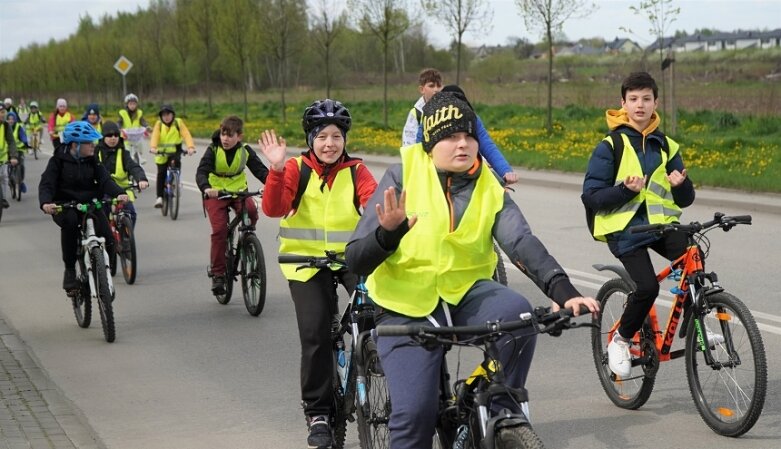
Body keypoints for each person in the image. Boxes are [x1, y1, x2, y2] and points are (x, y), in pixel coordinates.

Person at [345, 91, 598, 449]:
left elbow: (522, 242)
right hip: (405, 308)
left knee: (521, 315)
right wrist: (387, 234)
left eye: (468, 135)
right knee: (414, 418)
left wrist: (565, 293)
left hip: (467, 295)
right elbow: (355, 258)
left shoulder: (488, 186)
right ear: (431, 143)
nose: (462, 144)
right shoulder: (403, 176)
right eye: (450, 136)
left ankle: (499, 413)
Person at [258, 99, 377, 449]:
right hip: (305, 264)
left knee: (382, 312)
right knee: (315, 335)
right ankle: (318, 412)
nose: (329, 143)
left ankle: (374, 370)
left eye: (336, 136)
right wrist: (276, 169)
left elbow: (372, 206)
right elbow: (273, 208)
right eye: (322, 136)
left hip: (350, 260)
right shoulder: (295, 168)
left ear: (344, 139)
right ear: (311, 139)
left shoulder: (356, 170)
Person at [581, 71, 699, 378]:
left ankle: (695, 323)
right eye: (633, 99)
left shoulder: (667, 145)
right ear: (623, 103)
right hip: (624, 229)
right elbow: (592, 196)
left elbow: (685, 199)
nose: (640, 105)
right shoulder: (611, 145)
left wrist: (680, 185)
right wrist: (625, 190)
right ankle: (620, 340)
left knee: (693, 262)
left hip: (660, 225)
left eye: (646, 99)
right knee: (646, 287)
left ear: (656, 102)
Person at [39, 121, 128, 293]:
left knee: (108, 238)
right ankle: (70, 271)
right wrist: (46, 202)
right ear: (75, 145)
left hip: (89, 204)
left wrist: (119, 193)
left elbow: (105, 179)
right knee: (71, 223)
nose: (93, 146)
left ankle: (103, 272)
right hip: (65, 205)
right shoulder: (57, 161)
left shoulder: (92, 160)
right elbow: (47, 184)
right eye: (89, 143)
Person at [196, 115, 269, 294]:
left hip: (238, 191)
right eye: (223, 134)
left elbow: (261, 170)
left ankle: (247, 241)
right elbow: (201, 172)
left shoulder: (245, 150)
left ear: (239, 136)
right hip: (216, 193)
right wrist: (206, 187)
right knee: (220, 230)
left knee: (251, 211)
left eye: (230, 135)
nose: (225, 139)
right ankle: (218, 274)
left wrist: (270, 185)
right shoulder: (213, 150)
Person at [415, 84, 518, 185]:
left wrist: (505, 171)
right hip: (434, 175)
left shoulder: (471, 118)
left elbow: (487, 146)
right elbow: (419, 146)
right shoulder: (430, 118)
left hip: (466, 176)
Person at [96, 121, 149, 225]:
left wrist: (141, 179)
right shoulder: (95, 152)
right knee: (101, 217)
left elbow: (134, 167)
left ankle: (127, 239)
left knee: (131, 214)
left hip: (122, 190)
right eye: (109, 135)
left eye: (116, 135)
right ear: (103, 137)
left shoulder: (124, 153)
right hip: (102, 191)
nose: (113, 138)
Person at [150, 104, 196, 208]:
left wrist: (190, 147)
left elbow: (186, 134)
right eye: (164, 115)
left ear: (173, 115)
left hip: (175, 152)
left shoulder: (178, 122)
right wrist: (153, 147)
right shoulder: (159, 125)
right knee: (161, 173)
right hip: (161, 153)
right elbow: (155, 136)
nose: (166, 117)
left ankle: (175, 183)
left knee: (176, 166)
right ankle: (159, 197)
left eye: (168, 114)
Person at [401, 68, 442, 147]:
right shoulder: (416, 113)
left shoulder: (449, 108)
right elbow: (409, 144)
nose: (436, 89)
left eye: (439, 85)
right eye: (431, 86)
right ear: (422, 89)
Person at [118, 93, 151, 165]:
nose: (132, 106)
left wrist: (147, 126)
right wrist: (119, 128)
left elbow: (143, 121)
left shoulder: (139, 113)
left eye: (134, 104)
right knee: (127, 152)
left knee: (140, 147)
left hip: (136, 136)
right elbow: (119, 122)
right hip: (126, 137)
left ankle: (141, 158)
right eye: (130, 104)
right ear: (127, 104)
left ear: (136, 104)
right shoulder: (123, 113)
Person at [0, 104, 19, 208]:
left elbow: (11, 142)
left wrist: (13, 156)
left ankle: (3, 199)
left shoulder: (6, 126)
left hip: (2, 159)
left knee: (4, 178)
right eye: (0, 112)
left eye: (3, 112)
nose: (2, 115)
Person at [5, 111, 28, 193]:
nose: (11, 121)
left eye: (12, 119)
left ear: (15, 119)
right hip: (8, 151)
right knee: (8, 166)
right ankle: (10, 179)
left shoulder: (19, 127)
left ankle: (21, 182)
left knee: (21, 166)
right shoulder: (5, 127)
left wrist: (25, 142)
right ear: (6, 120)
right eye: (9, 119)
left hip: (19, 150)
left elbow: (23, 136)